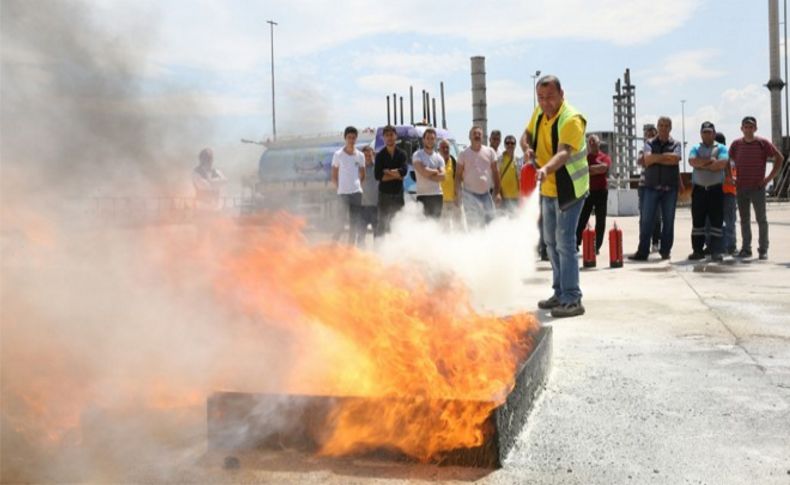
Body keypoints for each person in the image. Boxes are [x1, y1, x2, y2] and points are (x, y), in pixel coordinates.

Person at [520, 75, 589, 318]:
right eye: (540, 98)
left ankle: (572, 298)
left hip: (569, 190)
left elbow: (563, 155)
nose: (545, 102)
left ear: (562, 94)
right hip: (548, 189)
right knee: (550, 242)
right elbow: (525, 136)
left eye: (549, 97)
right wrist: (527, 148)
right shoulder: (539, 113)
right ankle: (559, 292)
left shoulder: (571, 119)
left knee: (565, 243)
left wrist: (545, 169)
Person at [729, 116, 785, 260]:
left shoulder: (763, 143)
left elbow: (780, 158)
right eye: (746, 127)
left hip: (758, 188)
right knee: (744, 220)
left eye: (751, 126)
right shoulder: (735, 144)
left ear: (755, 128)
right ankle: (746, 249)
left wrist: (768, 179)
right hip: (741, 187)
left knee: (761, 219)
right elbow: (727, 161)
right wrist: (731, 177)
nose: (748, 129)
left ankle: (763, 249)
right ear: (741, 129)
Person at [628, 116, 682, 261]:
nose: (663, 128)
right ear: (658, 127)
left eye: (666, 125)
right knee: (646, 220)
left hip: (670, 188)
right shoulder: (649, 143)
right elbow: (647, 159)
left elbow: (675, 159)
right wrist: (665, 158)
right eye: (661, 125)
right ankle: (643, 252)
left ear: (670, 128)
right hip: (651, 188)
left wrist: (656, 157)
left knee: (668, 221)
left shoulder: (676, 143)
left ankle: (665, 251)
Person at [687, 122, 729, 261]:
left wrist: (702, 164)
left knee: (717, 222)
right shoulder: (695, 147)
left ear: (714, 133)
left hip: (716, 190)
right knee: (697, 223)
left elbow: (722, 164)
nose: (707, 134)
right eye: (704, 132)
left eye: (709, 132)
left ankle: (716, 251)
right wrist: (710, 162)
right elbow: (692, 161)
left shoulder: (721, 147)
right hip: (699, 190)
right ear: (701, 133)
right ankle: (697, 251)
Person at [456, 126, 501, 228]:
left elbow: (496, 172)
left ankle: (489, 243)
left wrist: (497, 192)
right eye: (474, 134)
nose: (477, 136)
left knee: (491, 222)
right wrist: (458, 194)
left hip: (486, 195)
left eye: (479, 134)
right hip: (469, 195)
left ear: (482, 137)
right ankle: (474, 243)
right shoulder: (463, 154)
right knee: (473, 225)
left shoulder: (490, 152)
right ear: (469, 136)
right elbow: (458, 176)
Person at [575, 134, 611, 253]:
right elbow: (582, 171)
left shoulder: (605, 157)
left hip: (601, 192)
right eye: (590, 142)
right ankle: (576, 243)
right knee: (582, 218)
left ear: (599, 143)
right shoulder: (585, 158)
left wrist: (589, 169)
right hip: (588, 192)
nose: (592, 144)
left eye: (594, 142)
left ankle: (596, 246)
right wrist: (595, 169)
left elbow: (604, 168)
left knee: (600, 221)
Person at [331, 126, 366, 245]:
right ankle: (333, 245)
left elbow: (362, 174)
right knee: (340, 223)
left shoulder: (360, 155)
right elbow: (334, 176)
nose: (351, 140)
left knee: (354, 223)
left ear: (356, 139)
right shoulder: (338, 155)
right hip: (343, 194)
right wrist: (340, 188)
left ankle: (350, 249)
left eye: (353, 137)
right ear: (345, 138)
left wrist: (356, 186)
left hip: (356, 193)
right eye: (349, 137)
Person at [374, 125, 408, 236]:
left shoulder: (402, 154)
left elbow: (403, 172)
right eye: (387, 135)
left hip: (398, 194)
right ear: (383, 138)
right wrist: (396, 175)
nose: (389, 137)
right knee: (382, 224)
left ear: (396, 136)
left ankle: (397, 250)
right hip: (384, 194)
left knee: (398, 223)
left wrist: (387, 171)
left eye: (391, 135)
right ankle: (379, 249)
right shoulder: (379, 156)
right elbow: (378, 176)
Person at [637, 124, 662, 253]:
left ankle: (656, 242)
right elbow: (640, 161)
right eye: (647, 135)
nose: (649, 137)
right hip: (643, 187)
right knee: (644, 217)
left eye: (652, 135)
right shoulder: (643, 150)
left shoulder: (661, 149)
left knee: (657, 217)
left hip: (658, 186)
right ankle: (643, 242)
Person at [412, 128, 446, 219]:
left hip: (437, 195)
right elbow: (423, 172)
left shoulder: (439, 157)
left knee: (435, 225)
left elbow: (443, 177)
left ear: (435, 140)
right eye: (427, 138)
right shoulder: (417, 155)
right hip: (422, 195)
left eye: (432, 138)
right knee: (422, 226)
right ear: (423, 140)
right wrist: (436, 171)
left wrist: (427, 173)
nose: (430, 141)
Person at [717, 132, 739, 255]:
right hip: (729, 192)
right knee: (729, 221)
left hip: (723, 191)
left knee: (716, 222)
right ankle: (730, 246)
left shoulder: (720, 156)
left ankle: (725, 246)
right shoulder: (731, 157)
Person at [357, 145, 378, 245]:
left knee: (377, 235)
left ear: (373, 155)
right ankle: (360, 257)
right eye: (365, 155)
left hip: (376, 206)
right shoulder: (358, 169)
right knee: (360, 235)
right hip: (362, 207)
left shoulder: (378, 168)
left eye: (369, 155)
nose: (368, 157)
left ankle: (378, 256)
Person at [438, 138, 461, 229]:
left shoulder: (454, 161)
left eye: (447, 147)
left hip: (454, 200)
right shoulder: (436, 161)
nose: (445, 150)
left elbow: (458, 179)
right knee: (444, 227)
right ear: (439, 149)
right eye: (443, 147)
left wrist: (458, 195)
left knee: (458, 225)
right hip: (441, 201)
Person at [497, 135, 522, 213]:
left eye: (512, 143)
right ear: (504, 145)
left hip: (516, 198)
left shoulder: (518, 160)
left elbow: (520, 179)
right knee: (502, 221)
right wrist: (497, 193)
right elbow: (496, 179)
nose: (510, 145)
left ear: (515, 145)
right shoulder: (500, 159)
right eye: (507, 143)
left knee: (515, 222)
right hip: (503, 198)